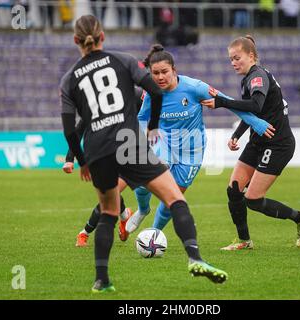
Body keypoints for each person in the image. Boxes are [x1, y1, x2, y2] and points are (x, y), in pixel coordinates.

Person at [60, 14, 228, 293]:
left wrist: (81, 161)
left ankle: (102, 280)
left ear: (76, 41)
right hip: (128, 143)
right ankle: (195, 258)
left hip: (97, 150)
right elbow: (154, 90)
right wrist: (151, 126)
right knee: (174, 197)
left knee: (109, 212)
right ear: (102, 37)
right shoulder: (124, 61)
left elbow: (70, 128)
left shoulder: (68, 79)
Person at [126, 44, 275, 234]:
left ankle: (153, 234)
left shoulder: (195, 87)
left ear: (174, 70)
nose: (160, 77)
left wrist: (256, 123)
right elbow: (141, 117)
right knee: (144, 180)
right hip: (164, 142)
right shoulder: (152, 93)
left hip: (192, 149)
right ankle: (143, 209)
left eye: (164, 72)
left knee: (173, 195)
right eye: (155, 73)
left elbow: (229, 102)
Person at [201, 35, 300, 251]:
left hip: (277, 143)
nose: (233, 63)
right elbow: (253, 111)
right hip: (258, 141)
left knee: (253, 199)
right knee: (234, 189)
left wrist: (222, 102)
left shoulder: (258, 76)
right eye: (231, 59)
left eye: (237, 58)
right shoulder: (248, 79)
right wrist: (237, 134)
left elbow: (255, 104)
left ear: (251, 56)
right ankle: (245, 241)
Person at [63, 86, 145, 246]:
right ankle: (124, 216)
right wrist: (69, 158)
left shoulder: (135, 94)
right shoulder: (94, 103)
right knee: (110, 193)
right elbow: (79, 130)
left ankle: (84, 233)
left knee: (109, 194)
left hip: (130, 153)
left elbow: (155, 110)